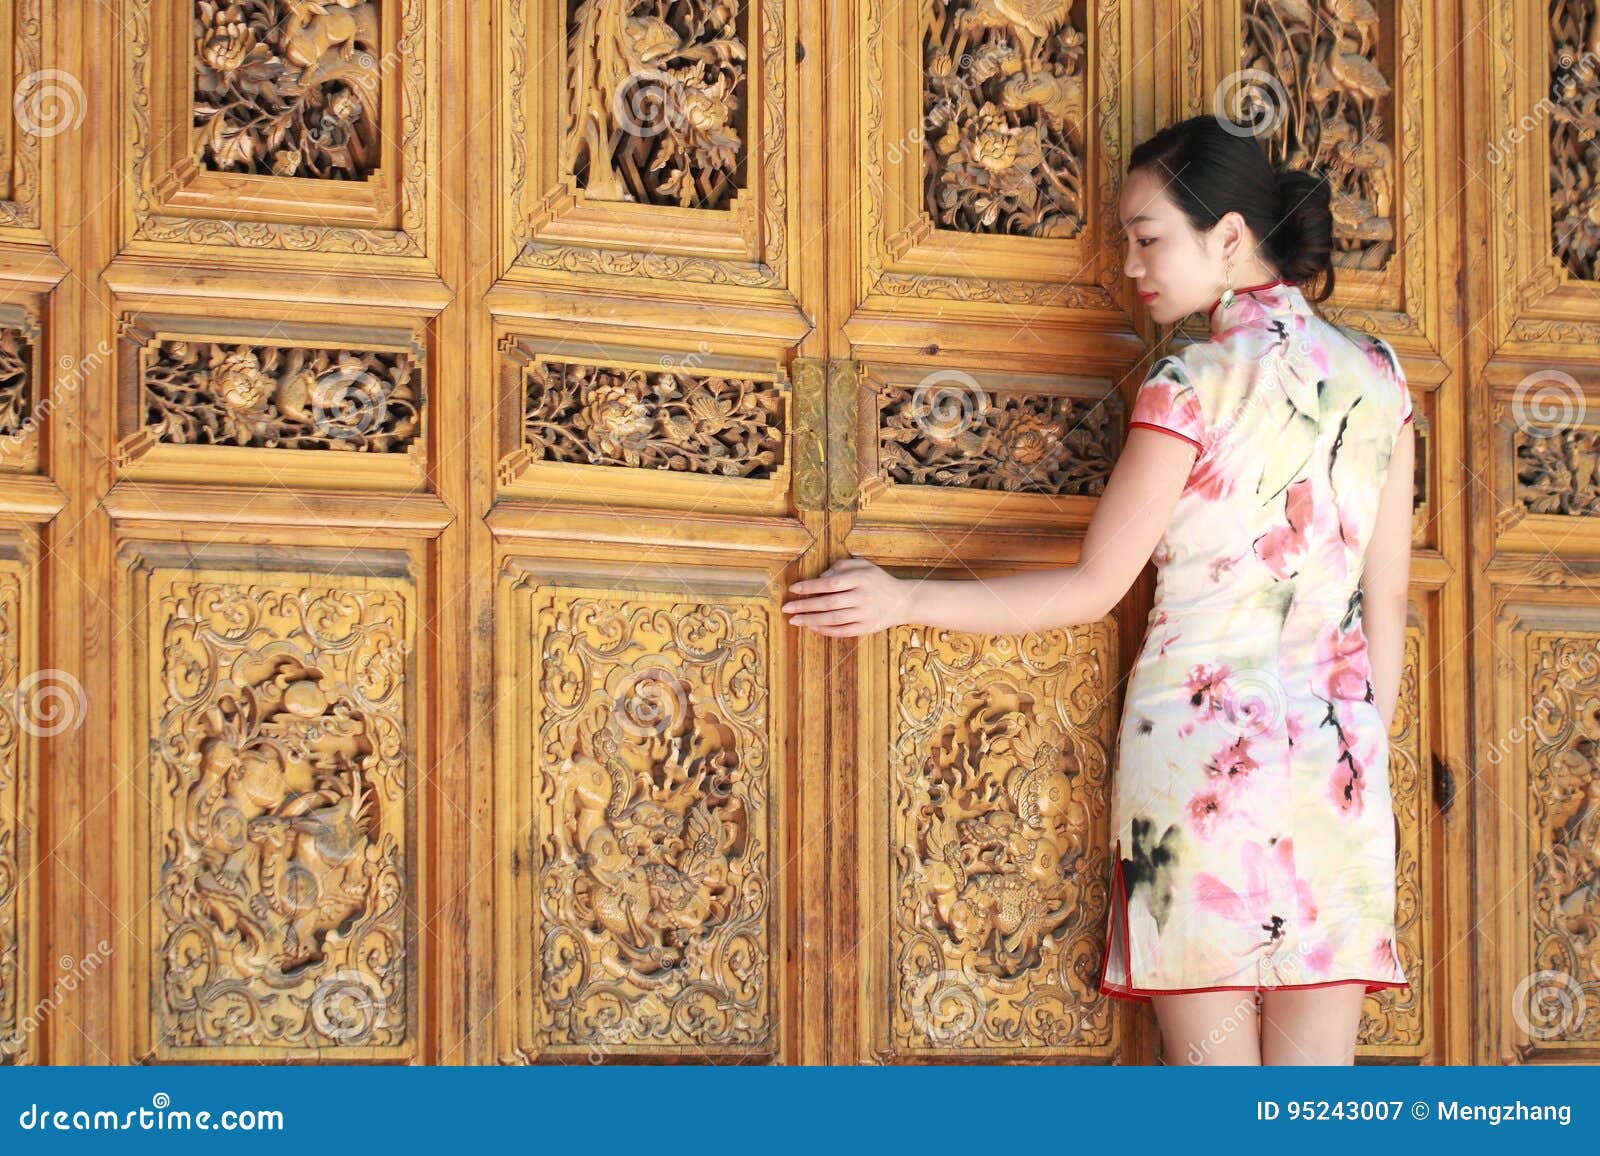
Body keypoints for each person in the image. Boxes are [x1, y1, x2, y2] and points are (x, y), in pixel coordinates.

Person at [780, 114, 1416, 1066]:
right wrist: (1355, 757)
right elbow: (1386, 612)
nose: (1131, 264)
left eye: (1149, 236)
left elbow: (1092, 586)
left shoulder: (1191, 385)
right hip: (1339, 774)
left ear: (1230, 236)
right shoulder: (1380, 378)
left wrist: (908, 600)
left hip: (1204, 769)